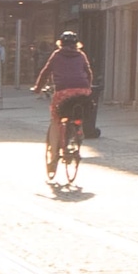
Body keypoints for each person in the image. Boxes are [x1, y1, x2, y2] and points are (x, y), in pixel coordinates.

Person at [37, 31, 99, 189]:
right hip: (82, 91)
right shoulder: (81, 55)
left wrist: (38, 87)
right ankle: (78, 131)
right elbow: (88, 72)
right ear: (76, 44)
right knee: (78, 112)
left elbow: (45, 72)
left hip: (63, 92)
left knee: (56, 120)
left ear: (60, 44)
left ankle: (53, 160)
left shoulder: (56, 55)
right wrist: (87, 87)